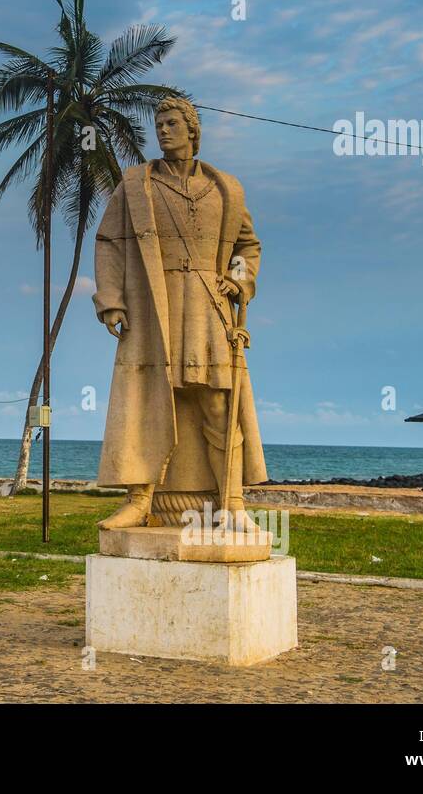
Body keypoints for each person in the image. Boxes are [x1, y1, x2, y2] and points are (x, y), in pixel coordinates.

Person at [93, 97, 266, 530]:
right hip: (154, 304)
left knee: (217, 405)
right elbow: (110, 241)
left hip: (208, 306)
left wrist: (238, 280)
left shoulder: (226, 188)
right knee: (151, 401)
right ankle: (141, 499)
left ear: (193, 131)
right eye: (159, 124)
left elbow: (248, 246)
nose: (163, 131)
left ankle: (232, 503)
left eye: (172, 123)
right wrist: (112, 299)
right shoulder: (137, 184)